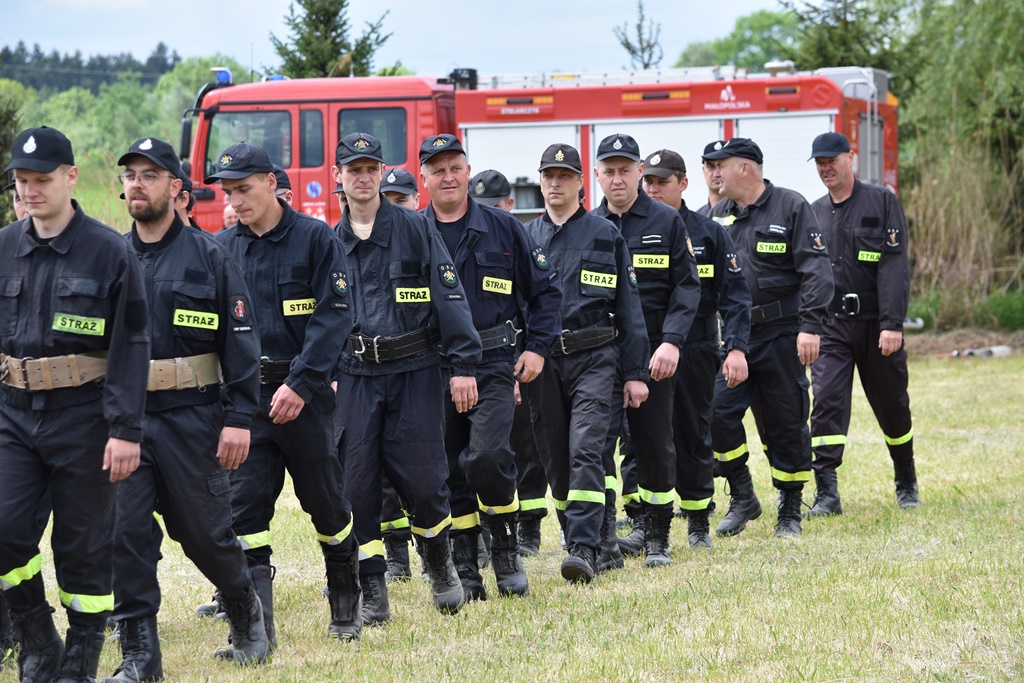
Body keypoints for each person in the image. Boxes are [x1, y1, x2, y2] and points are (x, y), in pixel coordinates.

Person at [105, 137, 269, 680]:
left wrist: (240, 420)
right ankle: (140, 656)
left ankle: (244, 609)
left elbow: (241, 343)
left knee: (204, 535)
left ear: (175, 187)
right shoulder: (111, 257)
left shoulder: (211, 256)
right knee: (126, 535)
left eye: (149, 175)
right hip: (129, 423)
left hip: (193, 419)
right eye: (131, 175)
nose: (137, 184)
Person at [0, 126, 150, 682]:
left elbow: (132, 344)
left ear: (71, 177)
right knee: (4, 528)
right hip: (13, 413)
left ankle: (81, 659)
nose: (31, 190)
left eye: (42, 179)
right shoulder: (3, 247)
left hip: (84, 418)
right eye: (22, 180)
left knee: (81, 546)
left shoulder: (109, 251)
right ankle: (38, 639)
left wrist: (126, 430)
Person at [209, 141, 363, 645]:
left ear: (271, 183)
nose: (235, 201)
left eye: (243, 189)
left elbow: (335, 315)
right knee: (245, 513)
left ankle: (346, 600)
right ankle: (257, 630)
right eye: (228, 193)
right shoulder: (220, 249)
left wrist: (301, 383)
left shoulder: (316, 239)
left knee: (327, 506)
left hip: (306, 398)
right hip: (246, 402)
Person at [331, 132, 481, 623]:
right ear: (338, 177)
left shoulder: (416, 229)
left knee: (425, 480)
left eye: (370, 168)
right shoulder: (330, 242)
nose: (362, 177)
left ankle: (439, 566)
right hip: (356, 376)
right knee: (357, 488)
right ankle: (373, 588)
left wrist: (463, 366)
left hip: (414, 371)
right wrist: (324, 374)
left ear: (381, 173)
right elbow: (321, 315)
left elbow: (450, 297)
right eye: (353, 169)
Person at [420, 134, 562, 601]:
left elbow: (545, 292)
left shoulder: (504, 228)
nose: (448, 177)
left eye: (455, 167)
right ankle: (466, 564)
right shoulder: (411, 232)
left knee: (486, 456)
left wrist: (537, 348)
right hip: (433, 366)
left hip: (494, 363)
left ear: (467, 171)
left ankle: (504, 548)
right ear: (423, 178)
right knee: (448, 468)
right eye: (437, 169)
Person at [523, 143, 649, 583]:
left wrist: (635, 374)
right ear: (540, 182)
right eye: (548, 176)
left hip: (596, 359)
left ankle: (583, 546)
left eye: (564, 176)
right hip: (543, 365)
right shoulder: (526, 238)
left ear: (580, 181)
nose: (555, 183)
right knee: (556, 459)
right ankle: (602, 541)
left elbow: (629, 307)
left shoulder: (605, 234)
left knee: (586, 449)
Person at [704, 137, 834, 538]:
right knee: (717, 413)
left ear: (745, 168)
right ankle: (742, 494)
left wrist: (810, 326)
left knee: (786, 421)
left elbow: (816, 271)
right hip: (735, 338)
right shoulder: (717, 215)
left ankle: (790, 509)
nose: (714, 172)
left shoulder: (790, 206)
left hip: (782, 333)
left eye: (721, 165)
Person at [591, 134, 701, 567]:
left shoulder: (666, 221)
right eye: (609, 171)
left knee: (654, 443)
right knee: (598, 445)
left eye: (625, 170)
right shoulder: (587, 226)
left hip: (656, 351)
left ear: (640, 171)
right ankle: (604, 536)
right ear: (597, 175)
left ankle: (657, 537)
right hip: (600, 353)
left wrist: (672, 341)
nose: (617, 179)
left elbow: (687, 287)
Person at [641, 148, 752, 548]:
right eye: (648, 182)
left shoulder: (708, 232)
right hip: (645, 348)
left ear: (683, 184)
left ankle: (698, 521)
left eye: (662, 182)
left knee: (693, 434)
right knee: (641, 439)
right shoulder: (630, 229)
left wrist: (736, 349)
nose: (653, 189)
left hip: (696, 347)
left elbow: (736, 296)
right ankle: (642, 521)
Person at [806, 132, 917, 515]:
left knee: (892, 404)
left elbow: (894, 265)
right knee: (826, 402)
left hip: (876, 325)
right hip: (832, 326)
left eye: (832, 160)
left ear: (850, 157)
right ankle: (826, 492)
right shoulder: (814, 212)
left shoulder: (881, 201)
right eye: (820, 163)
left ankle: (906, 479)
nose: (826, 168)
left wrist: (892, 323)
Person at [696, 141, 726, 217]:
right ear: (703, 170)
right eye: (710, 166)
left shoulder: (744, 213)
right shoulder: (697, 218)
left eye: (722, 166)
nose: (717, 174)